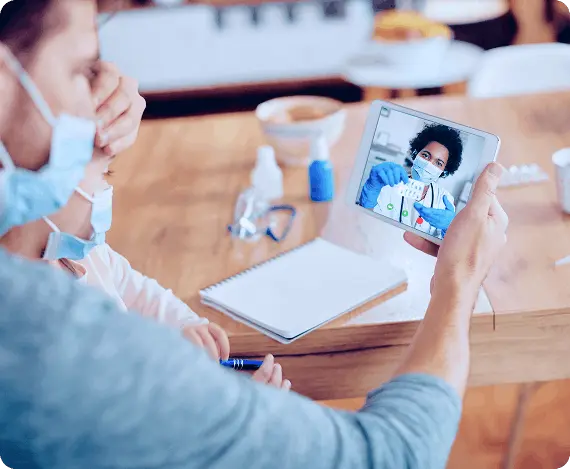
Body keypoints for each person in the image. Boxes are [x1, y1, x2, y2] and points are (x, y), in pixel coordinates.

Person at [0, 1, 508, 468]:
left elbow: (110, 273)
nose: (112, 91)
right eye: (84, 68)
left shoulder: (53, 255)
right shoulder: (54, 344)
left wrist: (186, 348)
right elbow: (393, 455)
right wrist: (458, 281)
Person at [0, 0, 288, 388]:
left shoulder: (66, 252)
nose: (103, 88)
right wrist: (233, 412)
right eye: (83, 70)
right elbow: (135, 436)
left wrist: (183, 327)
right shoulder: (39, 334)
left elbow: (133, 289)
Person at [359, 123, 464, 238]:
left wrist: (448, 229)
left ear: (444, 171)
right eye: (425, 155)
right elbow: (364, 223)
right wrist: (371, 190)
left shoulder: (445, 200)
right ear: (415, 153)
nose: (429, 164)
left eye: (438, 163)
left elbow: (443, 248)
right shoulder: (389, 183)